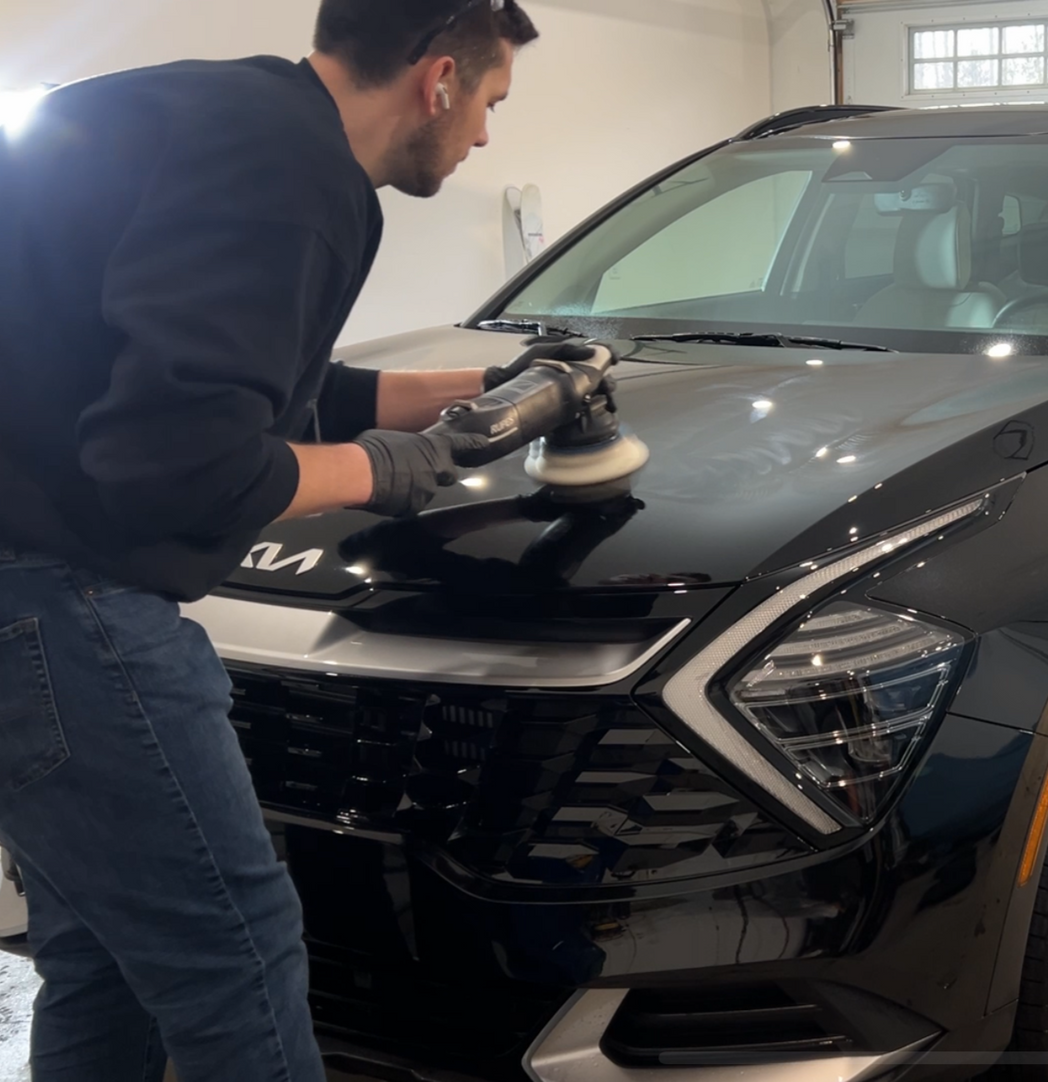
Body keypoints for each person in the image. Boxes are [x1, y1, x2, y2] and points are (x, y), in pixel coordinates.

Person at [0, 1, 542, 1077]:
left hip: (18, 603)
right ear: (438, 78)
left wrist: (491, 387)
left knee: (100, 955)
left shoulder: (209, 110)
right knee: (234, 955)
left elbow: (262, 385)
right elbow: (176, 462)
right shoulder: (290, 175)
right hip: (62, 614)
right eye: (488, 102)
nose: (485, 136)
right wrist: (382, 473)